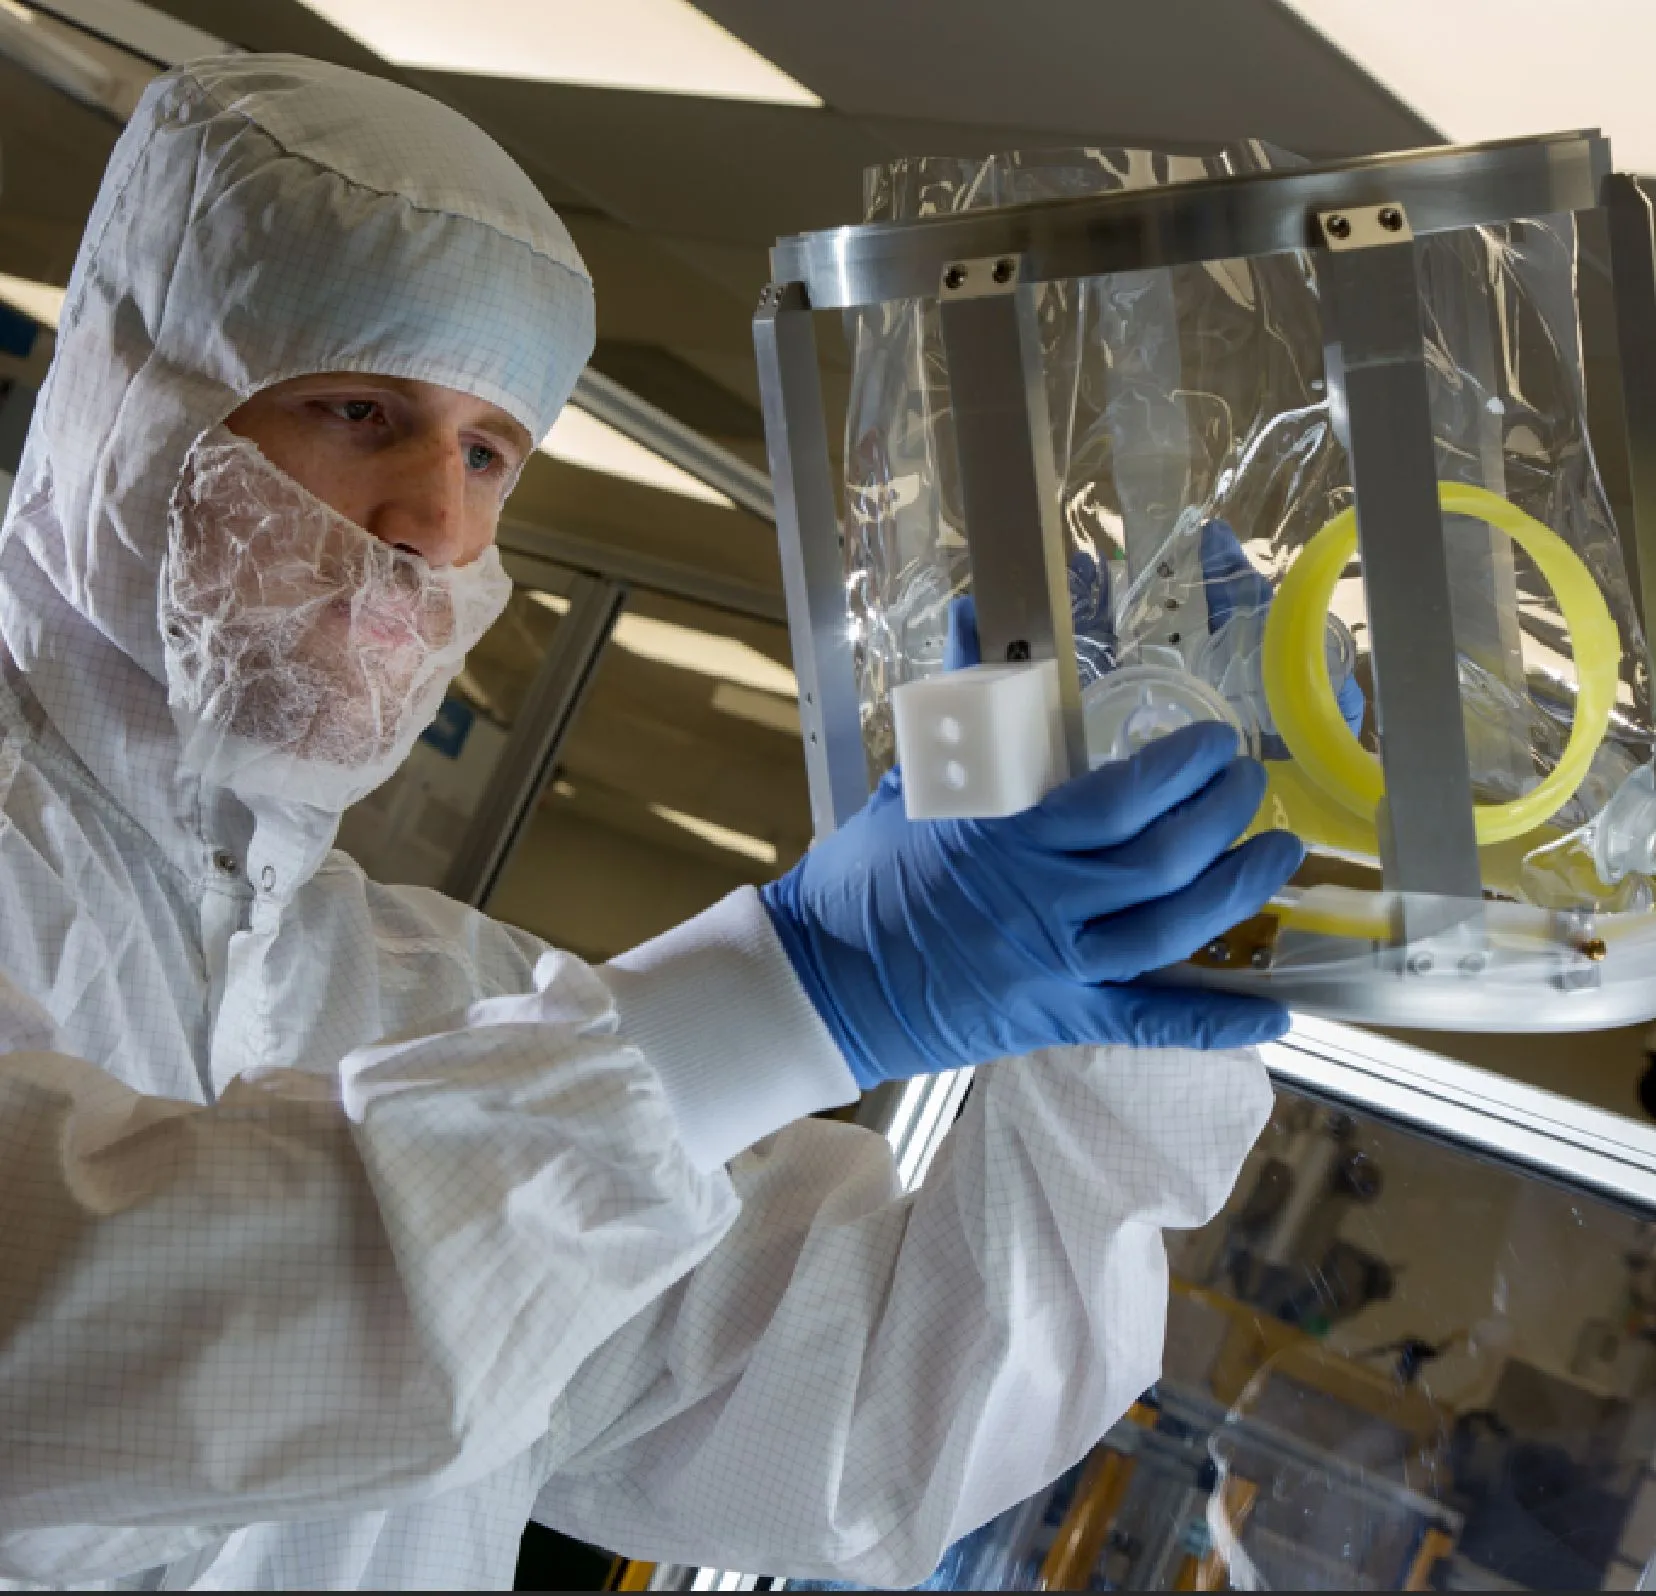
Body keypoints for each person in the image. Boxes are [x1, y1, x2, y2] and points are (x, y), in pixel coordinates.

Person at [0, 54, 1300, 1592]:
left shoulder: (428, 1004)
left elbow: (876, 1434)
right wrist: (787, 990)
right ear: (136, 413)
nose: (437, 521)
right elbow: (77, 1347)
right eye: (363, 409)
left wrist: (1121, 991)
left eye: (488, 453)